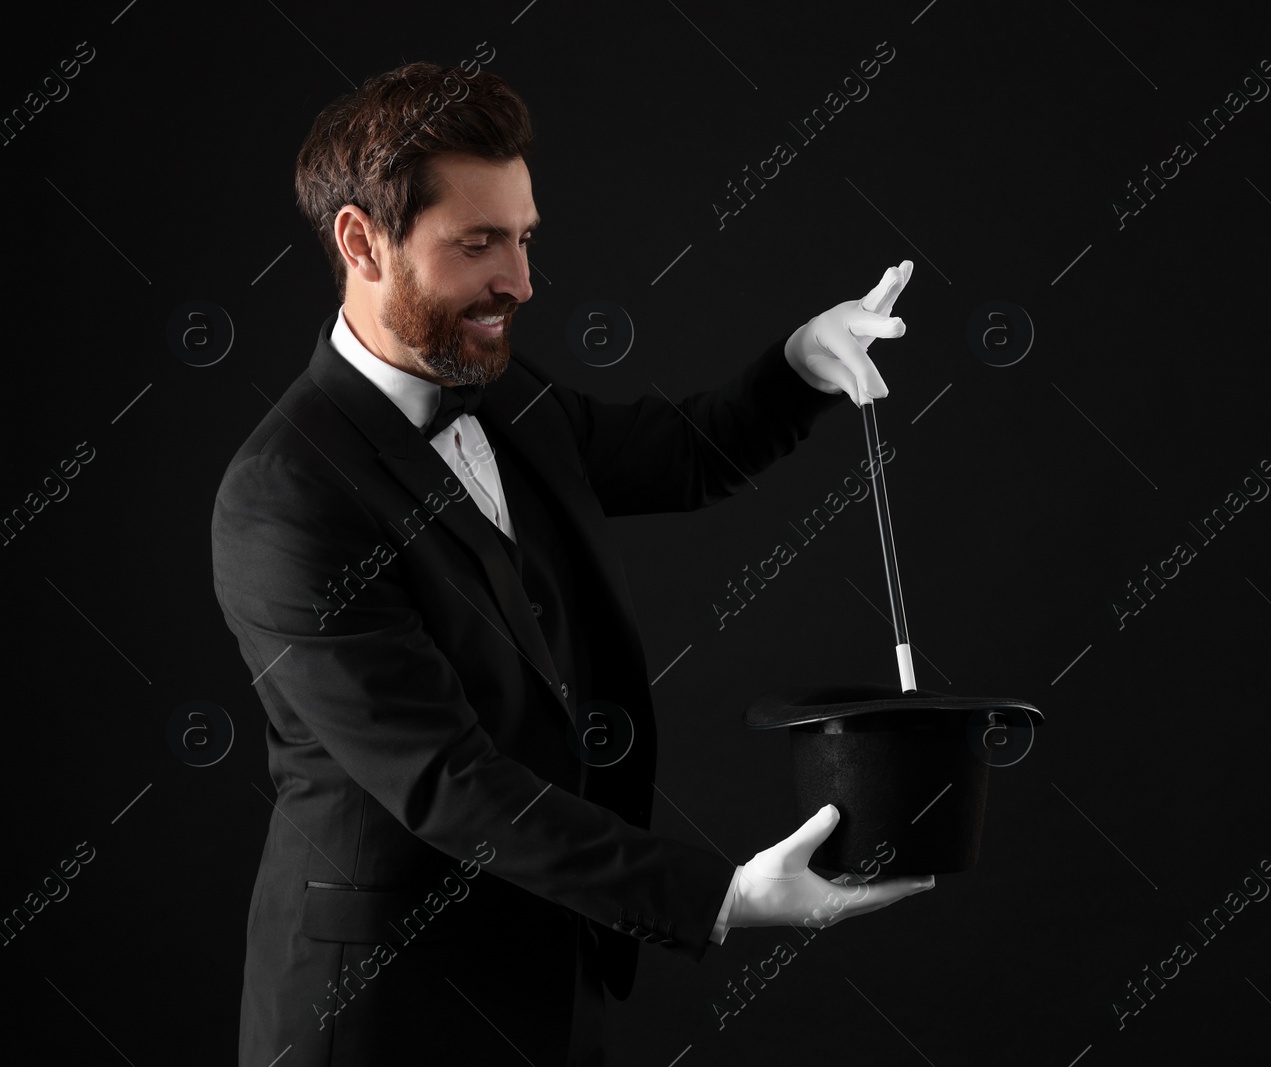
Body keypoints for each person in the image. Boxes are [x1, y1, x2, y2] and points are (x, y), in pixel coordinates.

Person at [211, 61, 931, 1067]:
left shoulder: (502, 395)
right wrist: (718, 896)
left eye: (523, 237)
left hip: (553, 977)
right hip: (380, 1007)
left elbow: (679, 452)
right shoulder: (284, 496)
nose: (520, 281)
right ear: (361, 241)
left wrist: (805, 360)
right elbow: (448, 781)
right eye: (478, 244)